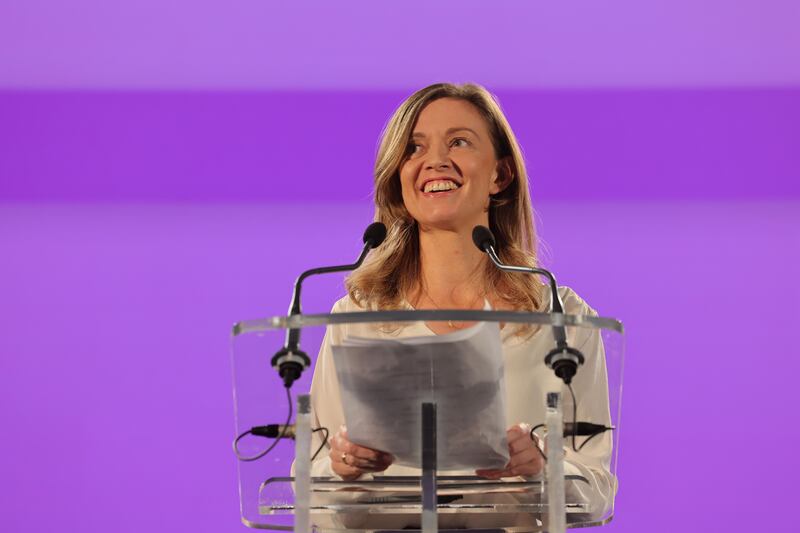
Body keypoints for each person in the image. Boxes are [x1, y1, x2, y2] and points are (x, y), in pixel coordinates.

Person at [306, 83, 615, 528]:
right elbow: (314, 492)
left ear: (500, 175)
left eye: (459, 142)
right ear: (398, 174)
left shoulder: (560, 319)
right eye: (414, 147)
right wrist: (340, 468)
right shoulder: (358, 317)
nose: (435, 160)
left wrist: (542, 469)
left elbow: (596, 491)